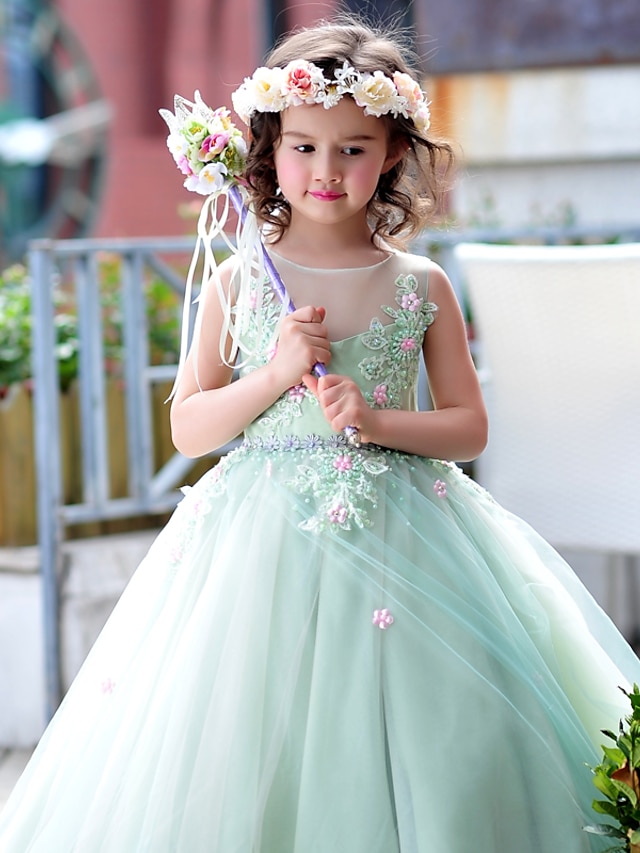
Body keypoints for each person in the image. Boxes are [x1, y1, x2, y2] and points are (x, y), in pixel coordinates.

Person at [0, 17, 638, 853]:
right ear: (269, 152)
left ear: (393, 156)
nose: (327, 171)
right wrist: (271, 373)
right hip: (255, 541)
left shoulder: (420, 283)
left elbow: (467, 425)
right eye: (304, 147)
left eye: (353, 150)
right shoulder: (239, 278)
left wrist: (374, 419)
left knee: (445, 736)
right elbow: (190, 426)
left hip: (410, 536)